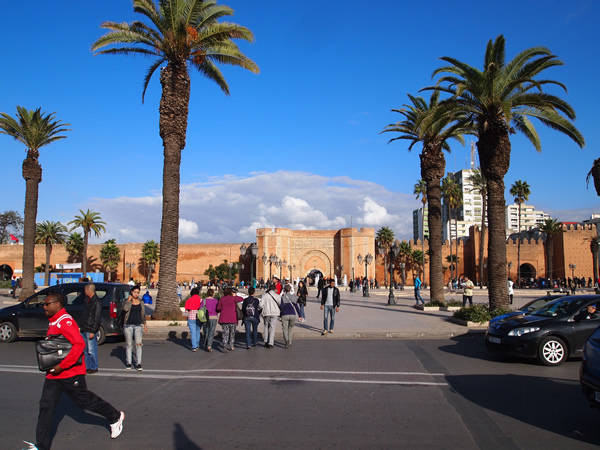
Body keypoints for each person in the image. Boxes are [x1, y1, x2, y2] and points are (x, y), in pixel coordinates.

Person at [25, 292, 124, 450]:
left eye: (47, 304)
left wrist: (61, 366)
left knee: (84, 401)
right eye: (44, 304)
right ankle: (41, 446)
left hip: (70, 373)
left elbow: (79, 344)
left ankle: (115, 416)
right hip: (53, 374)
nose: (44, 306)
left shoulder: (66, 321)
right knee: (46, 407)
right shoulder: (54, 321)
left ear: (57, 305)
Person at [122, 285, 147, 370]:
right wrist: (129, 301)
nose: (136, 294)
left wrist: (145, 325)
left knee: (138, 344)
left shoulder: (141, 302)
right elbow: (125, 309)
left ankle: (138, 363)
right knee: (129, 345)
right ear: (131, 292)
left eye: (138, 292)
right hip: (128, 325)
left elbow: (143, 314)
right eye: (135, 292)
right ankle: (129, 362)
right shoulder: (127, 301)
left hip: (138, 326)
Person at [80, 284, 102, 374]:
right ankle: (87, 366)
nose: (84, 292)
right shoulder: (87, 300)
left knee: (91, 350)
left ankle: (93, 367)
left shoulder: (96, 302)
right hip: (84, 328)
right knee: (85, 350)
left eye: (85, 290)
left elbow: (97, 318)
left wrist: (93, 330)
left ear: (89, 290)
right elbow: (84, 314)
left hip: (90, 329)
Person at [216, 287, 242, 351]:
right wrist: (234, 295)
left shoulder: (222, 299)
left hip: (224, 318)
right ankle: (231, 346)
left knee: (225, 333)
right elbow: (241, 299)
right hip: (233, 319)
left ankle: (224, 345)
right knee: (232, 333)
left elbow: (218, 308)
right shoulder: (234, 298)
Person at [259, 283, 281, 348]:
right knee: (272, 327)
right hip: (274, 313)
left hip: (266, 312)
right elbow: (280, 304)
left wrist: (260, 308)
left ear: (269, 289)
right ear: (275, 289)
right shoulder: (278, 296)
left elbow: (260, 305)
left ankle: (265, 341)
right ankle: (271, 342)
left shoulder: (264, 295)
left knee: (266, 326)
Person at [280, 284, 300, 348]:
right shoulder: (293, 297)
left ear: (285, 290)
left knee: (285, 328)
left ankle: (286, 340)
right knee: (291, 328)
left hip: (285, 314)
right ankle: (290, 342)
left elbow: (281, 307)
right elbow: (296, 306)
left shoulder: (283, 297)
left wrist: (280, 314)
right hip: (292, 314)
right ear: (290, 290)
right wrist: (300, 315)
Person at [184, 287, 203, 351]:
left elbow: (186, 311)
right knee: (198, 331)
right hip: (198, 317)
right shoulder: (200, 300)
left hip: (191, 317)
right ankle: (197, 344)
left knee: (193, 332)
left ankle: (194, 346)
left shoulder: (189, 300)